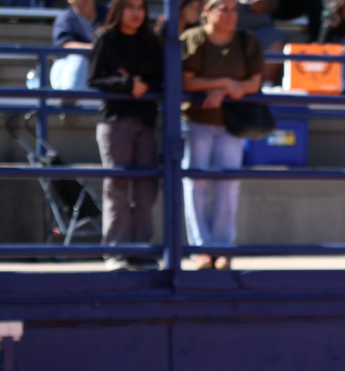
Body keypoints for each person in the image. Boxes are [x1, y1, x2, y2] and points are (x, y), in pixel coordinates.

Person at [181, 0, 264, 270]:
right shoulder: (192, 38)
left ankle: (223, 248)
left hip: (232, 122)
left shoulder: (247, 41)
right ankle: (200, 249)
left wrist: (223, 90)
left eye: (233, 8)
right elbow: (185, 80)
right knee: (196, 183)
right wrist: (224, 83)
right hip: (196, 120)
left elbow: (254, 82)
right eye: (222, 8)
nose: (230, 14)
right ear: (206, 10)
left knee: (229, 183)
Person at [87, 0, 163, 271]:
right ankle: (116, 252)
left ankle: (142, 252)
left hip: (145, 121)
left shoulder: (151, 42)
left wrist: (140, 83)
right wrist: (127, 83)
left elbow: (160, 78)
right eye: (130, 6)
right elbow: (94, 80)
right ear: (119, 10)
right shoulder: (106, 39)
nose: (136, 12)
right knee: (117, 186)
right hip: (115, 121)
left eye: (141, 7)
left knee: (146, 189)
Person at [51, 0, 109, 90]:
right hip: (69, 74)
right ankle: (70, 98)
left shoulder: (109, 13)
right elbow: (64, 45)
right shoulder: (65, 18)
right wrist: (95, 48)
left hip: (104, 72)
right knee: (78, 60)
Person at [234, 0, 285, 83]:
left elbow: (274, 3)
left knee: (275, 37)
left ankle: (266, 85)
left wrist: (265, 4)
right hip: (227, 28)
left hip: (261, 28)